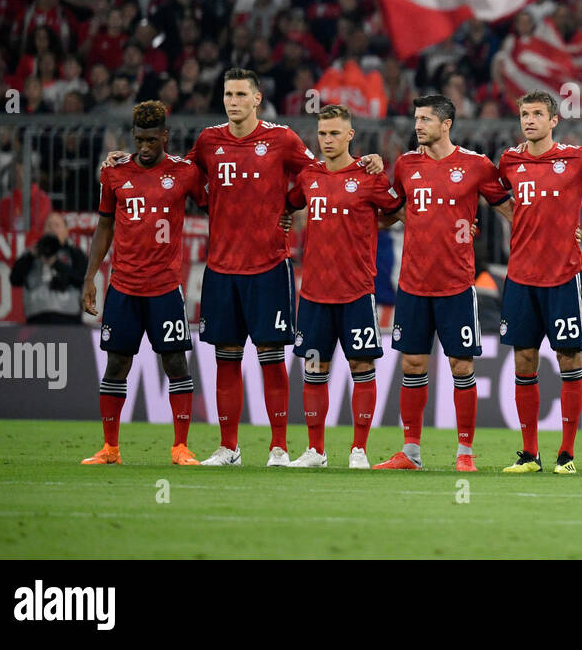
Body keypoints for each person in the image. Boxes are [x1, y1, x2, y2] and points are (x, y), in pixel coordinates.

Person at [102, 67, 383, 466]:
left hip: (268, 266)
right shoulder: (209, 141)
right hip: (221, 268)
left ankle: (279, 448)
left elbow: (320, 172)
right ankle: (229, 447)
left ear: (256, 99)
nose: (232, 101)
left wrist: (364, 163)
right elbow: (171, 168)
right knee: (226, 357)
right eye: (227, 94)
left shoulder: (281, 139)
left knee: (271, 357)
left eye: (239, 94)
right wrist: (126, 160)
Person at [374, 94, 512, 473]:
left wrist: (556, 231)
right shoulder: (405, 165)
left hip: (456, 284)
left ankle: (464, 452)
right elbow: (391, 212)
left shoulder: (476, 166)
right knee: (413, 364)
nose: (417, 126)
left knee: (461, 366)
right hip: (414, 283)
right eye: (416, 119)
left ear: (446, 124)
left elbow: (508, 208)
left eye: (425, 120)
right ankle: (411, 452)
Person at [80, 100, 206, 466]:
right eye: (140, 140)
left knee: (175, 364)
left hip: (165, 288)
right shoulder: (114, 173)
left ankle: (180, 447)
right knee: (117, 365)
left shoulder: (184, 172)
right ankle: (110, 448)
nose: (145, 147)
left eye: (152, 140)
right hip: (123, 288)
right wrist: (90, 277)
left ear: (165, 136)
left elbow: (214, 205)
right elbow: (105, 225)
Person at [281, 105, 402, 469]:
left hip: (357, 292)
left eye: (335, 133)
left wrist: (374, 226)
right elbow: (288, 205)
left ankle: (359, 450)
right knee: (315, 370)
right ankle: (316, 450)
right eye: (322, 133)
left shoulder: (368, 176)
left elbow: (395, 209)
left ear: (350, 135)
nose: (328, 140)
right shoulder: (309, 176)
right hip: (315, 293)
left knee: (361, 366)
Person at [497, 91, 582, 474]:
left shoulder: (576, 159)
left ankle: (567, 454)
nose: (529, 120)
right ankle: (530, 454)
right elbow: (489, 194)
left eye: (537, 114)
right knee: (524, 359)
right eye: (524, 114)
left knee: (569, 359)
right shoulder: (510, 161)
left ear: (553, 120)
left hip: (563, 277)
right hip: (521, 278)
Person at [9, 212, 87, 323]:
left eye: (57, 225)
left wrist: (55, 263)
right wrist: (30, 256)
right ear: (43, 230)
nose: (52, 229)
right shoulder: (32, 253)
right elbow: (14, 279)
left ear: (66, 231)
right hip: (37, 321)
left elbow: (81, 278)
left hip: (69, 321)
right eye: (49, 225)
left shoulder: (74, 253)